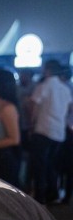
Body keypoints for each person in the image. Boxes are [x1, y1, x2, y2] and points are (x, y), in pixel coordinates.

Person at [28, 59, 73, 204]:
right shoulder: (65, 89)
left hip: (43, 129)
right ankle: (52, 193)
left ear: (47, 70)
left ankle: (40, 196)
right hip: (58, 132)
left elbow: (34, 106)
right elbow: (69, 109)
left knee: (39, 165)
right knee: (52, 165)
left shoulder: (44, 86)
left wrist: (31, 124)